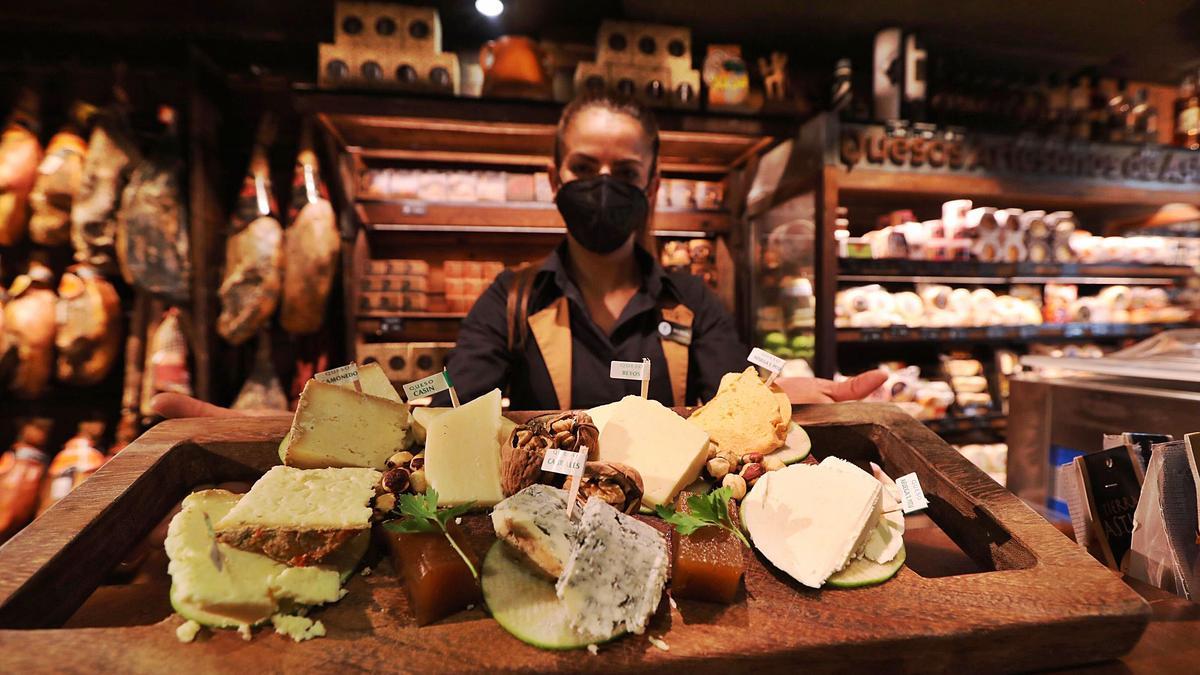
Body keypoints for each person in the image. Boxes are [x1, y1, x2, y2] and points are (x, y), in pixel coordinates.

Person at [152, 91, 883, 419]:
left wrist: (789, 391)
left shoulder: (693, 304)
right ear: (552, 177)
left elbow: (741, 399)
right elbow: (440, 400)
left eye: (624, 174)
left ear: (652, 183)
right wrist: (301, 419)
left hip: (675, 549)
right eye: (583, 167)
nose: (603, 186)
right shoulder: (509, 302)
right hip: (543, 541)